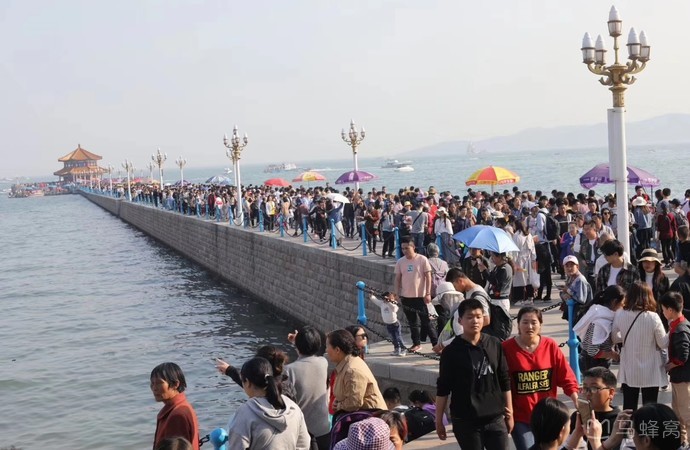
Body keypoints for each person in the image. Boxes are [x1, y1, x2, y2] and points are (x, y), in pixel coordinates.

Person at [435, 298, 513, 450]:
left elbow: (504, 379)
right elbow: (443, 388)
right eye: (469, 317)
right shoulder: (451, 352)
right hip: (466, 421)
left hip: (495, 418)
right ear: (460, 320)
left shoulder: (495, 343)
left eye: (478, 316)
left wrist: (510, 412)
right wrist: (439, 421)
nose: (475, 321)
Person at [502, 306, 579, 450]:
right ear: (518, 324)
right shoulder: (506, 348)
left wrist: (576, 398)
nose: (529, 326)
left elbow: (566, 376)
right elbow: (500, 382)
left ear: (540, 325)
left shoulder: (550, 346)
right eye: (525, 322)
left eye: (534, 322)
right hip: (521, 417)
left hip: (548, 415)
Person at [226, 357, 311, 450]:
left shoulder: (245, 413)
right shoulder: (293, 408)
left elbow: (237, 446)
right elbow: (304, 445)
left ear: (248, 382)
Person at [611, 282, 669, 411]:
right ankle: (647, 430)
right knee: (650, 407)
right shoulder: (653, 317)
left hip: (629, 366)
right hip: (651, 369)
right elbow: (663, 343)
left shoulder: (620, 314)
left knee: (629, 406)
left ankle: (626, 430)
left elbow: (614, 338)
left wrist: (628, 339)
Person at [284, 326, 331, 450]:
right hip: (323, 429)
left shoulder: (289, 371)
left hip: (302, 433)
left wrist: (297, 343)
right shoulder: (323, 362)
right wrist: (298, 342)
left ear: (298, 348)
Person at [326, 329, 387, 418]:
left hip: (371, 420)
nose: (326, 350)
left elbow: (354, 403)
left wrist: (339, 405)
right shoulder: (345, 364)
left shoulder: (352, 370)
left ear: (337, 350)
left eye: (328, 346)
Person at [394, 237, 437, 352]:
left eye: (407, 248)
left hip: (420, 296)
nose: (404, 251)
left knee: (426, 322)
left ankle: (436, 344)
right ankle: (416, 343)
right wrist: (397, 293)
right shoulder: (400, 262)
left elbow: (428, 277)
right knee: (412, 322)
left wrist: (428, 293)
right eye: (402, 248)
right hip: (406, 297)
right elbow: (398, 278)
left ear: (413, 247)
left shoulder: (422, 259)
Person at [660, 291, 690, 446]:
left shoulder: (680, 329)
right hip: (678, 378)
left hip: (683, 378)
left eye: (663, 309)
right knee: (677, 412)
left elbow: (683, 355)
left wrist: (670, 365)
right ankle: (682, 442)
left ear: (670, 310)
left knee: (686, 413)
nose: (663, 312)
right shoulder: (677, 325)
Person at [567, 367, 622, 450]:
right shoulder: (578, 417)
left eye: (594, 388)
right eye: (585, 388)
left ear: (611, 393)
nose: (588, 393)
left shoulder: (619, 421)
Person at [215, 345, 296, 401]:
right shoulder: (286, 381)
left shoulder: (262, 402)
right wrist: (229, 370)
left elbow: (250, 385)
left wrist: (229, 370)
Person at [573, 285, 625, 370]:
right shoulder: (601, 321)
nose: (623, 307)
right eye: (622, 304)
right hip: (593, 363)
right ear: (614, 302)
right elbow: (592, 350)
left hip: (595, 362)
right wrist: (612, 355)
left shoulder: (602, 315)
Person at [150, 362, 200, 450]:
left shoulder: (177, 415)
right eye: (152, 383)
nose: (154, 388)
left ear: (175, 384)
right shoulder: (181, 406)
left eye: (159, 383)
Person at [638, 248, 671, 329]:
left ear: (656, 263)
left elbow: (667, 297)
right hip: (640, 313)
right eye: (645, 261)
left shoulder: (663, 278)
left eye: (650, 262)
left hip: (659, 314)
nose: (647, 264)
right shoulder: (637, 277)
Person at [368, 292, 406, 356]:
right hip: (388, 324)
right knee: (393, 338)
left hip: (395, 323)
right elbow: (375, 300)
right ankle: (396, 349)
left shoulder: (394, 304)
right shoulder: (382, 303)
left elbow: (394, 309)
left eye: (391, 298)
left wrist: (389, 302)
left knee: (398, 337)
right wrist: (371, 295)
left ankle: (403, 349)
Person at [559, 255, 593, 323]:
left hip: (582, 315)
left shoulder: (580, 280)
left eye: (572, 265)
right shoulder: (570, 277)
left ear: (577, 266)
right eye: (567, 266)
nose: (569, 268)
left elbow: (581, 299)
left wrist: (567, 291)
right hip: (575, 314)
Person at [513, 220, 538, 304]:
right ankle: (530, 298)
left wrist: (514, 261)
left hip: (520, 259)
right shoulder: (529, 234)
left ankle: (520, 298)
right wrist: (534, 259)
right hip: (529, 259)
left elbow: (515, 250)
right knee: (528, 279)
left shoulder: (517, 235)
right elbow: (533, 248)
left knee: (519, 279)